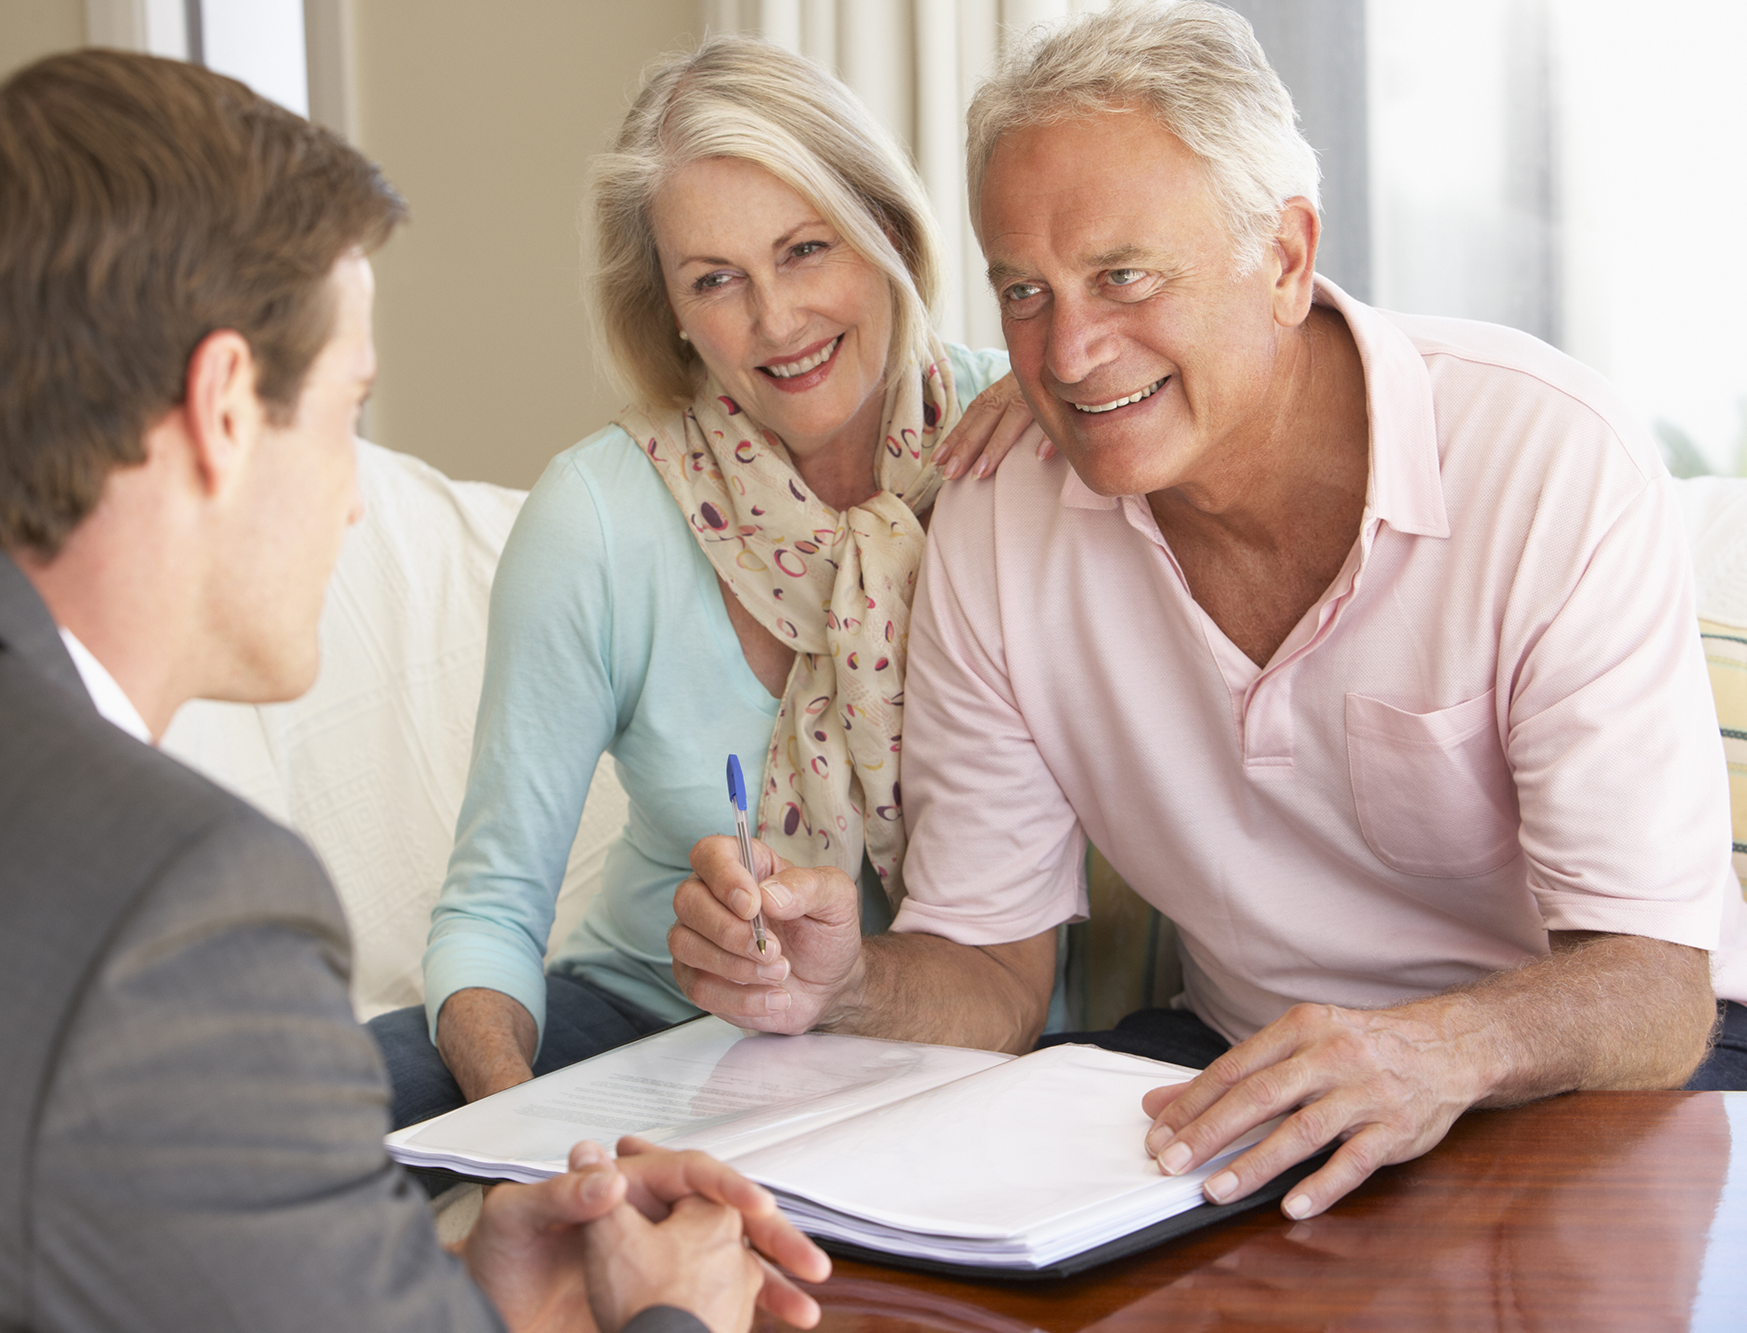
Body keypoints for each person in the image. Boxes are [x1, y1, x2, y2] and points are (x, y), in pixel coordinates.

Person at [0, 50, 830, 1332]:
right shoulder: (175, 911)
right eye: (346, 411)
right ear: (219, 408)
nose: (358, 493)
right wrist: (670, 1318)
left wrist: (460, 1300)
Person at [668, 0, 1747, 1225]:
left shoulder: (1545, 457)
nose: (1068, 353)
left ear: (1283, 257)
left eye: (1121, 277)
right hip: (1237, 1069)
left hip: (1599, 1076)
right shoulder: (994, 520)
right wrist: (845, 981)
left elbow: (1657, 991)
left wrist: (1433, 1053)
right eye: (1022, 291)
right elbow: (989, 970)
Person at [364, 34, 1046, 1130]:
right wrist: (519, 1134)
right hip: (657, 1020)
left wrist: (1058, 403)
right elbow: (491, 906)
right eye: (715, 280)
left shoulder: (1024, 442)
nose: (775, 321)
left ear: (885, 230)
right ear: (669, 311)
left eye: (805, 249)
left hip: (953, 1026)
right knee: (299, 1105)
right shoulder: (596, 516)